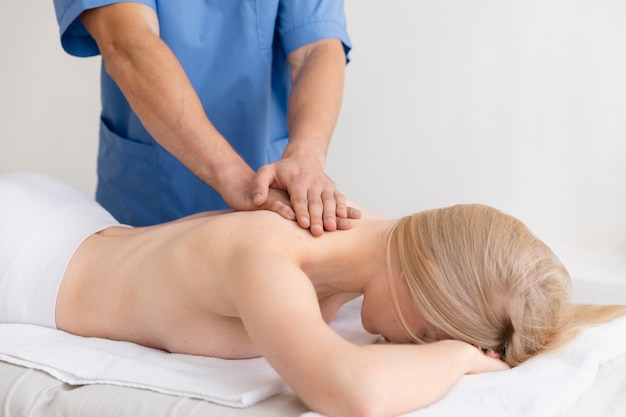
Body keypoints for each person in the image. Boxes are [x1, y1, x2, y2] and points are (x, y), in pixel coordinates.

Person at [2, 172, 625, 417]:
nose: (409, 344)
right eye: (433, 330)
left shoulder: (358, 236)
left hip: (68, 224)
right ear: (423, 268)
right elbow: (349, 391)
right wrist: (461, 358)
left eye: (437, 339)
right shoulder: (271, 261)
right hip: (21, 253)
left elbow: (499, 270)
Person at [52, 1, 356, 235]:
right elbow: (127, 44)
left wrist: (305, 158)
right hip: (149, 200)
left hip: (272, 187)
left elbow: (317, 47)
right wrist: (234, 177)